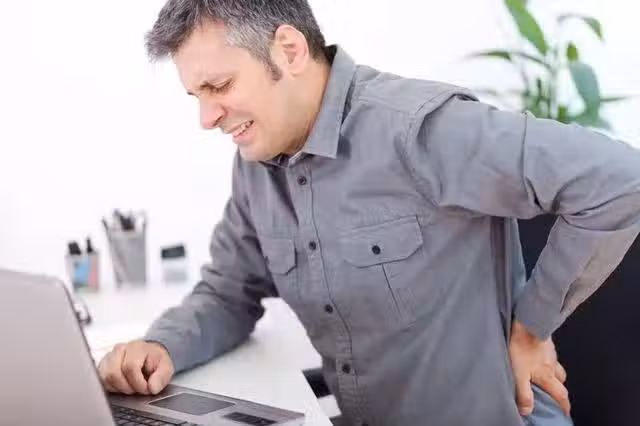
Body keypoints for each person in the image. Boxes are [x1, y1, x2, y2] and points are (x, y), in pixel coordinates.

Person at [97, 1, 640, 425]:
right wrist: (160, 346)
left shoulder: (422, 131)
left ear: (289, 50)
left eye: (219, 86)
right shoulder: (257, 162)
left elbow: (619, 179)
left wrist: (531, 327)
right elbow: (228, 291)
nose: (206, 117)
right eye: (196, 94)